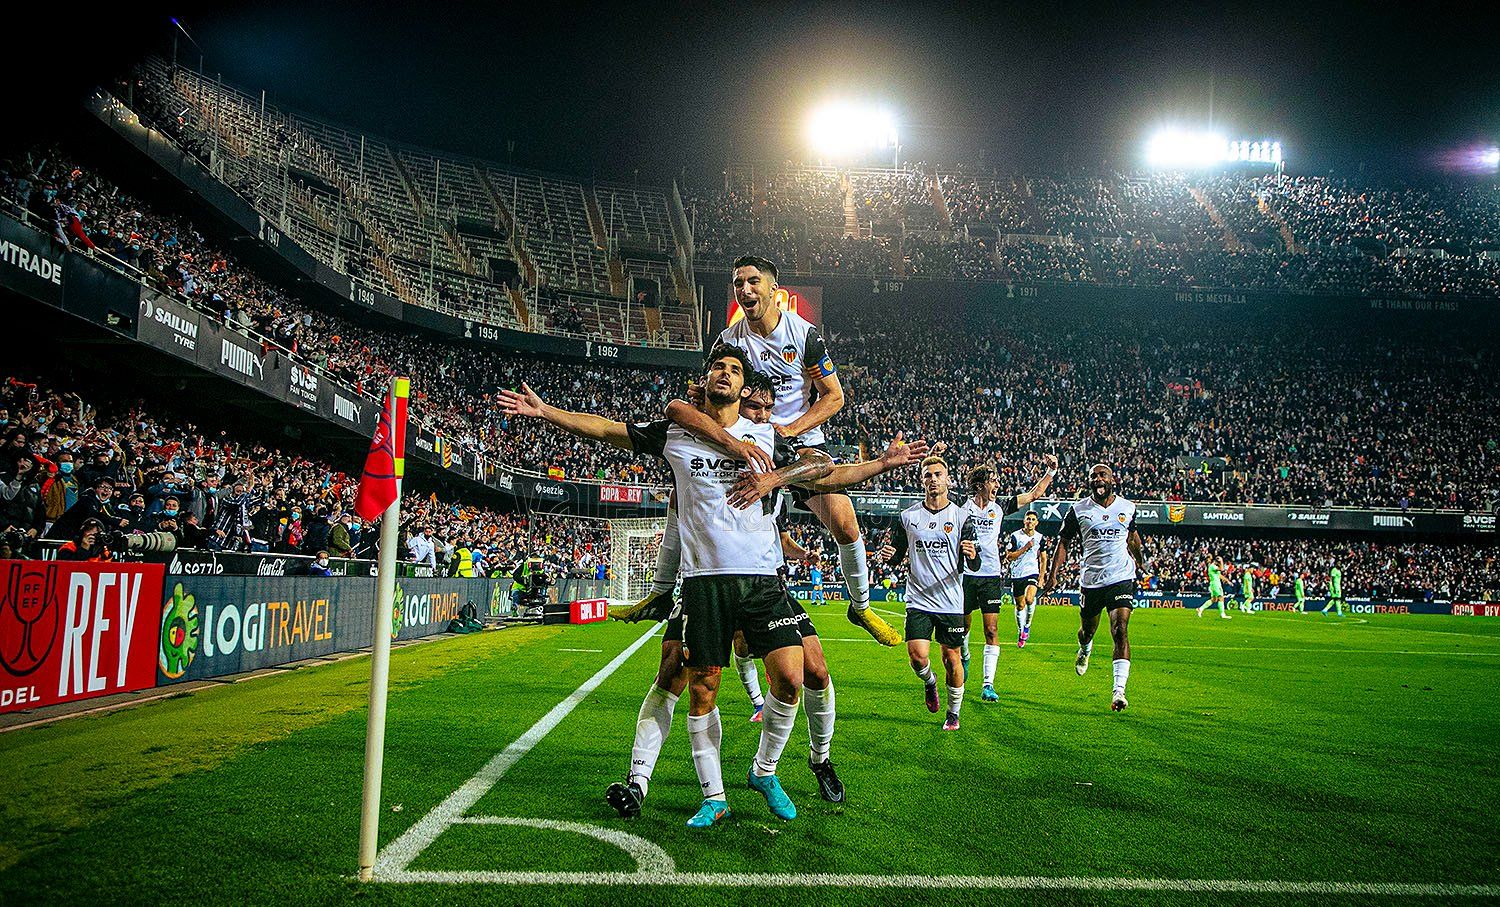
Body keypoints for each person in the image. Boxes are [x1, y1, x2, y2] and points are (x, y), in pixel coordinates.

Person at [498, 346, 927, 827]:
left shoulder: (766, 435)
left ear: (745, 387)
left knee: (792, 677)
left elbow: (826, 469)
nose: (726, 373)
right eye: (718, 367)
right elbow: (604, 428)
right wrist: (546, 412)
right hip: (703, 582)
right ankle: (713, 796)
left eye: (735, 370)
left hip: (762, 579)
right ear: (705, 381)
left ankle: (765, 770)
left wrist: (862, 467)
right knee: (701, 687)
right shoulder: (675, 433)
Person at [710, 255, 900, 647]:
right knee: (716, 518)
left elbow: (834, 397)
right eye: (738, 283)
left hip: (801, 442)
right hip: (750, 443)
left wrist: (791, 430)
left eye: (753, 281)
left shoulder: (803, 335)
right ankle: (671, 592)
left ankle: (861, 606)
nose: (744, 289)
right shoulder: (729, 340)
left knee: (845, 525)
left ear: (773, 289)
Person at [880, 455, 979, 731]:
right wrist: (889, 556)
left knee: (952, 658)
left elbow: (975, 563)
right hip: (918, 599)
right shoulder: (908, 517)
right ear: (921, 480)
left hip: (950, 601)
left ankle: (953, 713)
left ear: (947, 479)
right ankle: (930, 681)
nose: (933, 479)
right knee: (917, 657)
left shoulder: (962, 517)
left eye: (938, 474)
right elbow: (897, 554)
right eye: (928, 475)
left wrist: (972, 555)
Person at [1043, 463, 1145, 712]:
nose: (1098, 479)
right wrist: (1053, 575)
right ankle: (1084, 648)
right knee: (1087, 631)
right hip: (1092, 581)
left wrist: (1140, 561)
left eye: (1102, 475)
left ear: (1112, 480)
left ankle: (1119, 691)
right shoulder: (1078, 510)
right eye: (1093, 476)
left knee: (1120, 629)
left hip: (1121, 577)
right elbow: (1064, 543)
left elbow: (1132, 536)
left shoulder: (1127, 507)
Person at [961, 459, 1056, 703]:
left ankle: (988, 684)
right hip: (965, 574)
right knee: (963, 628)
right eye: (992, 481)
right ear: (980, 485)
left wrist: (1051, 471)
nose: (997, 485)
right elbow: (936, 493)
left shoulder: (1001, 506)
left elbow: (1034, 494)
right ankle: (965, 655)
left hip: (991, 575)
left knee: (991, 630)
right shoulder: (962, 505)